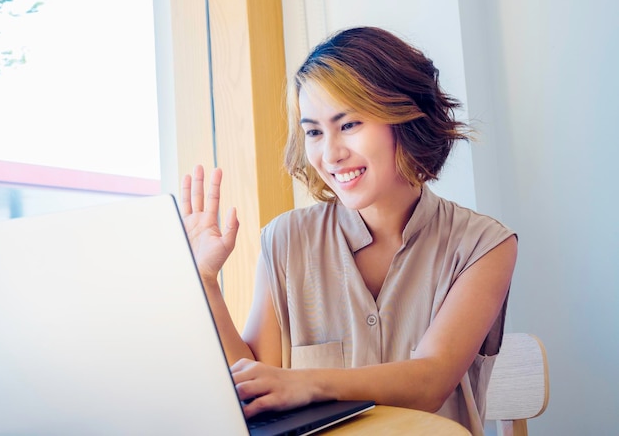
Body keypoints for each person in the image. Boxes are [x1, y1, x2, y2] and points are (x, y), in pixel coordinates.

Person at [180, 26, 517, 436]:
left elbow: (430, 381)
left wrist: (305, 382)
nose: (331, 154)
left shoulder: (483, 245)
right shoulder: (285, 240)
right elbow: (255, 384)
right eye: (314, 132)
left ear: (404, 117)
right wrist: (204, 282)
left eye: (350, 124)